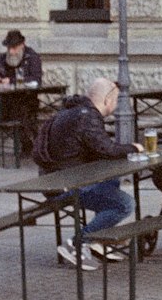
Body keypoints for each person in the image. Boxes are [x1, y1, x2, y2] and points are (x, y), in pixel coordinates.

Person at [41, 77, 136, 271]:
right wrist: (134, 147)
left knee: (112, 178)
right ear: (108, 99)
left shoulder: (75, 111)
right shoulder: (87, 116)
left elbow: (98, 150)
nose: (116, 105)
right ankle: (77, 243)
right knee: (124, 204)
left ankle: (97, 240)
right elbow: (106, 149)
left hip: (57, 180)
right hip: (65, 186)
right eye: (116, 100)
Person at [0, 29, 43, 157]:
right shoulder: (1, 60)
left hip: (26, 99)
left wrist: (11, 81)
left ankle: (26, 142)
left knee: (19, 112)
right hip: (5, 100)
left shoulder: (32, 58)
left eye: (14, 47)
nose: (11, 51)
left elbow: (36, 80)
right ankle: (19, 136)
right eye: (9, 48)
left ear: (22, 45)